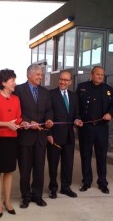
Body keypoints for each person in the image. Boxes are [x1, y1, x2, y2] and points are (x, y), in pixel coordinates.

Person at [14, 64, 53, 209]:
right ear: (29, 75)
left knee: (39, 168)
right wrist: (29, 122)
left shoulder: (45, 92)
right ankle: (25, 196)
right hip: (25, 137)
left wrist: (49, 120)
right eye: (38, 74)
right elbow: (17, 113)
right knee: (25, 170)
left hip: (41, 137)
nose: (40, 77)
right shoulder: (18, 90)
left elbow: (49, 110)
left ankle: (37, 195)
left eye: (41, 75)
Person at [76, 66, 113, 194]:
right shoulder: (82, 87)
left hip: (101, 128)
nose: (100, 76)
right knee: (85, 155)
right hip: (86, 128)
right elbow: (76, 105)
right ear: (92, 74)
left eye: (102, 75)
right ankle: (86, 182)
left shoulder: (108, 90)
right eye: (98, 74)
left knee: (101, 156)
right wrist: (77, 118)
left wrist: (110, 114)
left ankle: (102, 182)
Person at [0, 69, 22, 218]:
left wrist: (17, 123)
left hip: (12, 137)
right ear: (3, 83)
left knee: (9, 170)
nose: (15, 83)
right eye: (12, 80)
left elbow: (19, 117)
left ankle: (7, 202)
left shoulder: (16, 99)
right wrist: (5, 123)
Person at [47, 71, 83, 199]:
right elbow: (48, 116)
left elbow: (76, 114)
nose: (63, 82)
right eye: (61, 79)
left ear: (70, 82)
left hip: (69, 136)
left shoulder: (74, 96)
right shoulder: (51, 94)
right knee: (53, 164)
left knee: (68, 163)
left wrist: (77, 120)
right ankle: (53, 188)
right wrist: (49, 134)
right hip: (54, 136)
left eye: (66, 80)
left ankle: (65, 187)